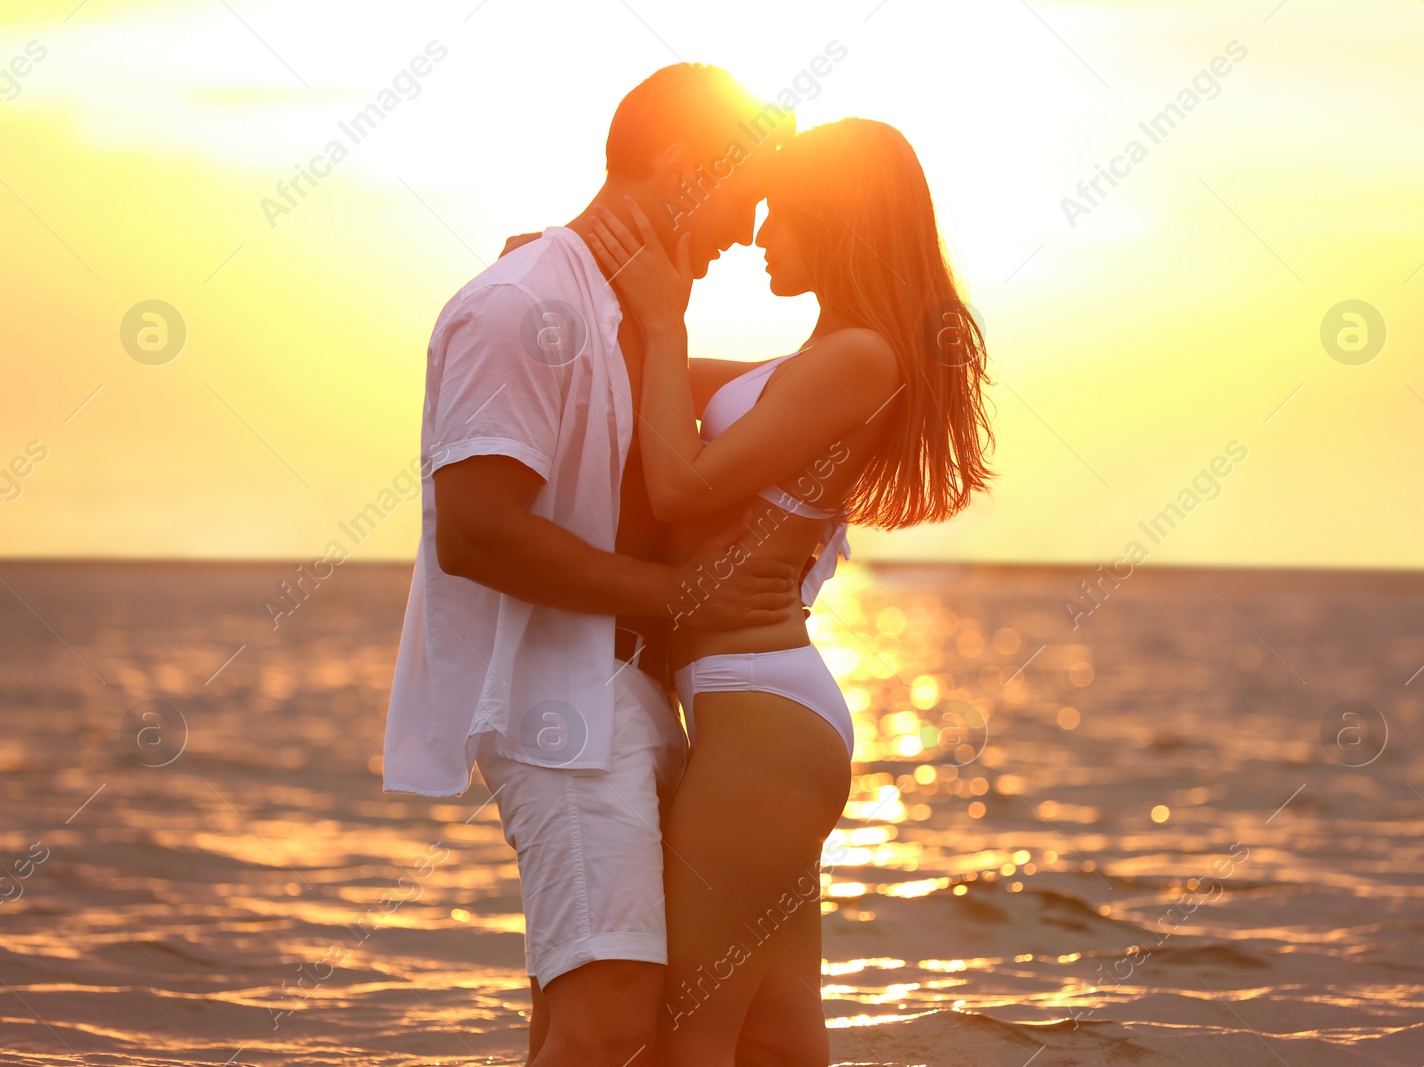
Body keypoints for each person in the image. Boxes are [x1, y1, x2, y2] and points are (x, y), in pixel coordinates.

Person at [381, 64, 800, 1067]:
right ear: (677, 164)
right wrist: (680, 595)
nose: (748, 228)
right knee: (608, 1020)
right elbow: (475, 531)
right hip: (560, 713)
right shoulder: (520, 303)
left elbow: (789, 388)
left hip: (632, 698)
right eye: (743, 190)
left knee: (611, 1022)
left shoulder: (619, 316)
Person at [584, 116, 996, 1067]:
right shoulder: (812, 363)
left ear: (835, 220)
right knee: (775, 1038)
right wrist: (567, 279)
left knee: (686, 1034)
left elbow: (680, 485)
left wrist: (661, 311)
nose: (762, 237)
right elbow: (650, 380)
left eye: (781, 216)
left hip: (763, 718)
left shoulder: (861, 359)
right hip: (758, 714)